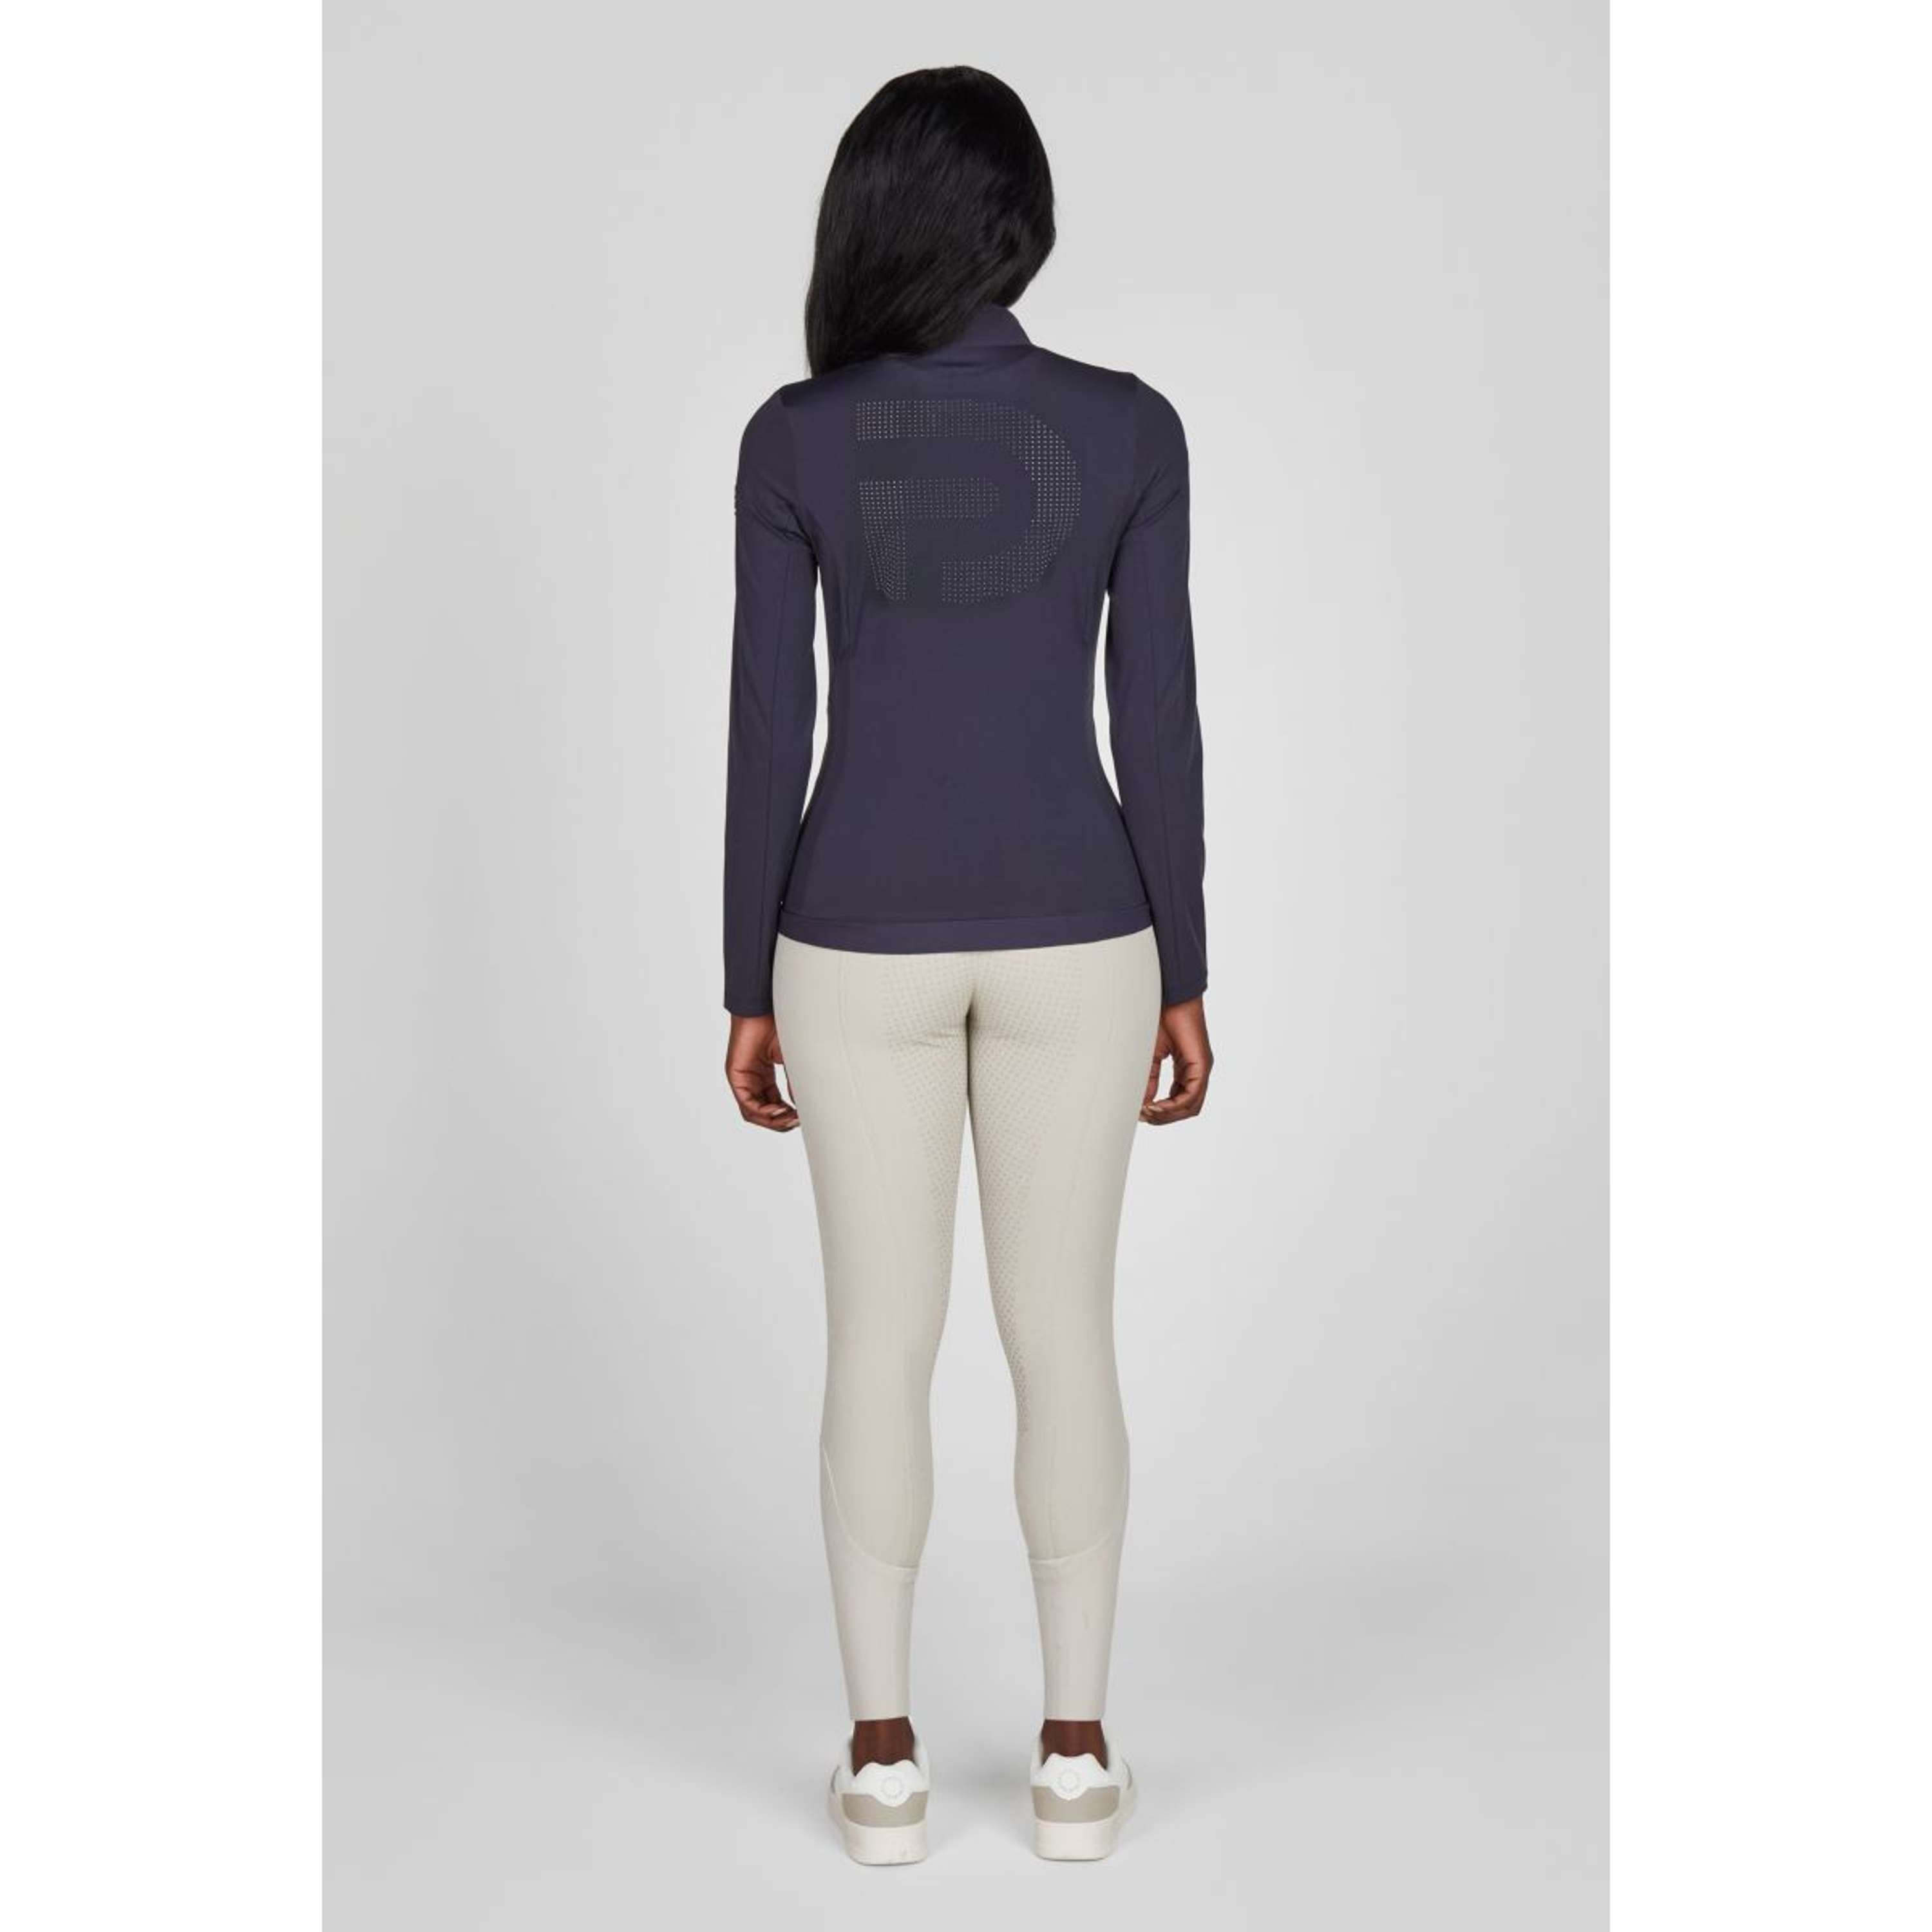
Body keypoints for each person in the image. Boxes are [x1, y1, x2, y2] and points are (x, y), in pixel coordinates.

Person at [721, 66, 1211, 1865]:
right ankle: (1075, 1760)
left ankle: (882, 1764)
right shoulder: (1130, 429)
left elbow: (769, 727)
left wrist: (744, 982)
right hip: (1086, 925)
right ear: (1024, 225)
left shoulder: (795, 439)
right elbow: (1157, 721)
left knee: (881, 1333)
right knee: (1062, 1327)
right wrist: (1186, 965)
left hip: (850, 935)